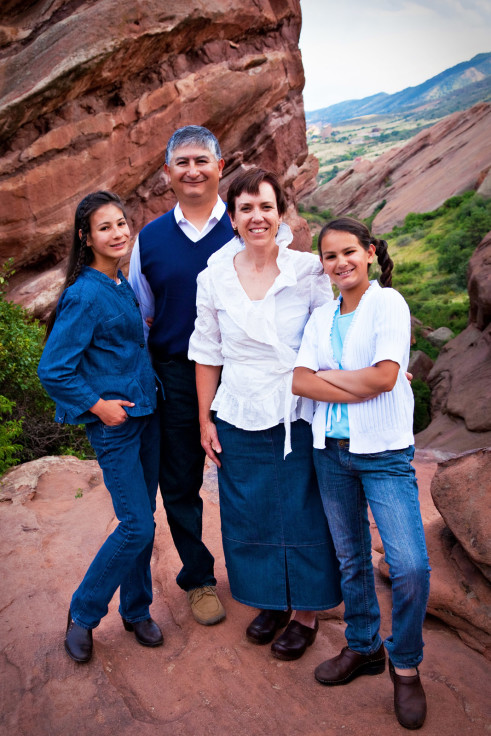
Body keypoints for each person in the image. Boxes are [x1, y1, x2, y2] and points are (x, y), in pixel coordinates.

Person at [188, 169, 342, 660]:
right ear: (232, 218)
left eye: (266, 207)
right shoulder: (212, 276)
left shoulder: (308, 271)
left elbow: (331, 338)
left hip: (298, 408)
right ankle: (272, 602)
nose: (258, 217)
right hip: (238, 405)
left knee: (303, 511)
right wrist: (204, 419)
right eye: (246, 208)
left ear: (281, 214)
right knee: (249, 509)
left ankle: (306, 614)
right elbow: (207, 351)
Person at [292, 217, 431, 729]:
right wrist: (354, 381)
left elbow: (386, 376)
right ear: (323, 266)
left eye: (349, 252)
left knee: (411, 567)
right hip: (330, 450)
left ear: (369, 252)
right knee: (351, 560)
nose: (340, 263)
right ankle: (363, 646)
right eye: (330, 257)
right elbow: (301, 383)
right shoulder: (322, 317)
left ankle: (406, 664)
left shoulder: (387, 303)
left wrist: (335, 379)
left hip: (384, 453)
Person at [38, 191, 163, 663]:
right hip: (116, 426)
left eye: (121, 224)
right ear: (85, 237)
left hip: (146, 415)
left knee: (144, 523)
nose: (118, 233)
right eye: (105, 227)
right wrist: (99, 406)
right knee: (135, 524)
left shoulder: (118, 282)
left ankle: (136, 610)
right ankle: (83, 612)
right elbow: (54, 369)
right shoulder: (85, 293)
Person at [128, 125, 233, 626]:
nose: (192, 170)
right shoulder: (148, 239)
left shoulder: (246, 226)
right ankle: (198, 577)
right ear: (167, 172)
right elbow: (142, 314)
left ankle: (266, 573)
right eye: (182, 162)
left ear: (220, 166)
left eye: (202, 160)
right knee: (180, 481)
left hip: (241, 374)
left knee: (251, 474)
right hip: (174, 374)